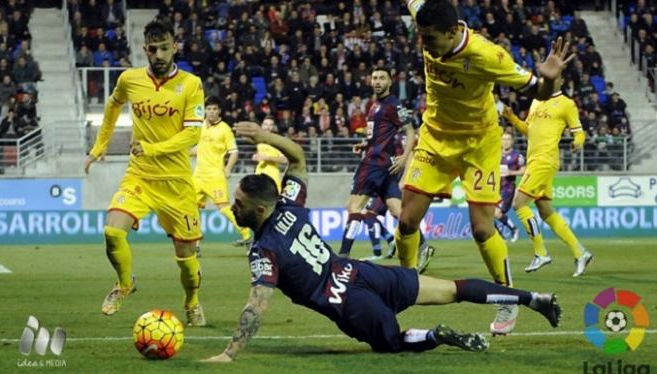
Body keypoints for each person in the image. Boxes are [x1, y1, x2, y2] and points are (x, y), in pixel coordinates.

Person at [200, 121, 561, 363]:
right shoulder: (290, 204)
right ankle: (534, 298)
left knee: (392, 343)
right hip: (363, 273)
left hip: (346, 302)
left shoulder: (264, 249)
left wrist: (229, 354)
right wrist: (266, 138)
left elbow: (257, 305)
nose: (234, 208)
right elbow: (297, 155)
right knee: (453, 288)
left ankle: (435, 335)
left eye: (240, 205)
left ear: (261, 209)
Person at [397, 0, 574, 335]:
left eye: (430, 39)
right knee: (406, 220)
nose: (424, 45)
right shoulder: (428, 17)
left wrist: (550, 80)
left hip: (478, 144)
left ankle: (506, 296)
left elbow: (538, 88)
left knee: (481, 228)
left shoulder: (487, 56)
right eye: (420, 37)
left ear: (452, 33)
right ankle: (404, 284)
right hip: (434, 139)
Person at [84, 17, 206, 326]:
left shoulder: (191, 84)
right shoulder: (129, 79)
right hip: (139, 176)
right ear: (145, 50)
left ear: (175, 46)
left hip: (177, 183)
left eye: (165, 48)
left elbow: (192, 134)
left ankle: (191, 301)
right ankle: (125, 283)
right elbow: (112, 107)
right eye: (154, 49)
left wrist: (152, 148)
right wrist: (99, 147)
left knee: (187, 263)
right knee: (112, 231)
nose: (160, 55)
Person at [502, 76, 593, 276]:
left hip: (545, 160)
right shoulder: (536, 101)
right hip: (534, 159)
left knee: (519, 203)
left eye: (553, 78)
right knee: (546, 211)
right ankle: (581, 252)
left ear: (561, 81)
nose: (548, 81)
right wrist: (511, 117)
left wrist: (578, 142)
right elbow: (529, 130)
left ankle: (540, 252)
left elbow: (579, 132)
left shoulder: (567, 104)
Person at [338, 67, 428, 265]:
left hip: (374, 163)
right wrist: (364, 144)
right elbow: (379, 135)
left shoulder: (393, 105)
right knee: (397, 211)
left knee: (354, 207)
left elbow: (411, 131)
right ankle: (423, 245)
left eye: (382, 78)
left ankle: (342, 258)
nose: (377, 81)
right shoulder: (375, 105)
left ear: (390, 82)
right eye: (375, 78)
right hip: (380, 162)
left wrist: (404, 158)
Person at [191, 96, 252, 254]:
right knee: (192, 210)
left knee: (224, 208)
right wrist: (181, 153)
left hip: (214, 176)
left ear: (219, 111)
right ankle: (195, 245)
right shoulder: (201, 126)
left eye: (214, 109)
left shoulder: (225, 129)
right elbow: (200, 148)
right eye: (208, 109)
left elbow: (234, 152)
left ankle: (246, 235)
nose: (211, 112)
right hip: (198, 176)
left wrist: (228, 168)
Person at [495, 132, 524, 241]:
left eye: (508, 139)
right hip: (495, 188)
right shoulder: (496, 154)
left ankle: (513, 229)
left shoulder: (517, 156)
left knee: (496, 213)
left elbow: (523, 171)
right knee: (487, 213)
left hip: (507, 188)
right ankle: (500, 236)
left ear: (512, 141)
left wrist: (510, 172)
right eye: (503, 139)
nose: (505, 142)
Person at [253, 115, 287, 193]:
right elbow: (260, 156)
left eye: (270, 125)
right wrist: (255, 157)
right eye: (265, 124)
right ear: (261, 125)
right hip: (259, 175)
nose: (267, 127)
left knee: (273, 202)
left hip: (272, 177)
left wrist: (267, 158)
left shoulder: (278, 141)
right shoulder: (258, 140)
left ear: (273, 127)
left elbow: (285, 160)